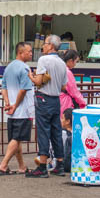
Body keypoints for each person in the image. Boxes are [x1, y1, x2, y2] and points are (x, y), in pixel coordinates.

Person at [26, 34, 67, 177]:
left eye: (45, 43)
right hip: (56, 100)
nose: (43, 46)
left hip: (44, 98)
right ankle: (60, 164)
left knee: (43, 131)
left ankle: (42, 166)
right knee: (56, 131)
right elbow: (64, 86)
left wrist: (31, 77)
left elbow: (38, 82)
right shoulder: (62, 63)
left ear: (51, 46)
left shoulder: (43, 59)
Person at [0, 41, 34, 175]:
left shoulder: (8, 67)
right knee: (17, 139)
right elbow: (23, 90)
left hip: (11, 110)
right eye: (28, 51)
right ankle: (3, 165)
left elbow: (3, 87)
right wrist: (15, 105)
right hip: (22, 110)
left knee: (16, 139)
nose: (31, 53)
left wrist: (8, 102)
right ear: (20, 52)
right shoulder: (25, 69)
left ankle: (22, 166)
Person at [59, 49, 87, 171]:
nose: (75, 64)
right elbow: (74, 91)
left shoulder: (58, 69)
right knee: (68, 129)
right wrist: (83, 103)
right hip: (66, 102)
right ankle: (65, 158)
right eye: (75, 61)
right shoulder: (67, 73)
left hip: (57, 100)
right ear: (70, 61)